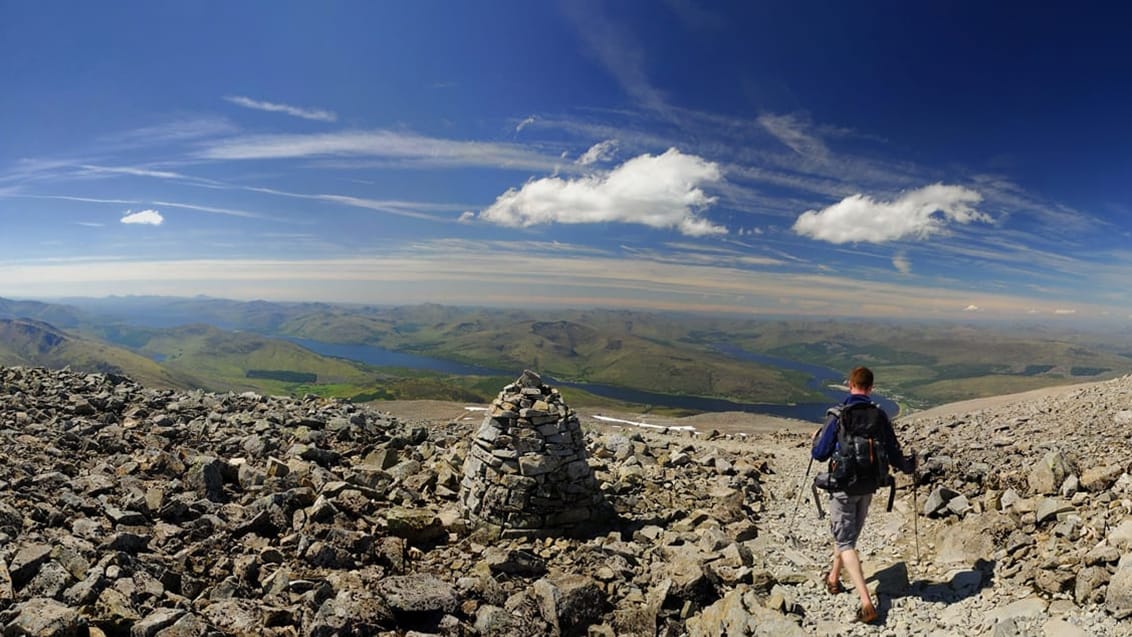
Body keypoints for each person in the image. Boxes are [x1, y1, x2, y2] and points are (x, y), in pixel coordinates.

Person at [811, 366, 914, 624]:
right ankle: (833, 578)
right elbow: (893, 453)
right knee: (846, 538)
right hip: (868, 486)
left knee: (845, 542)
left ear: (850, 385)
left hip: (843, 487)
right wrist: (910, 466)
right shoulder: (879, 416)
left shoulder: (839, 415)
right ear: (870, 388)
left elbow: (820, 454)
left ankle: (866, 601)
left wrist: (816, 440)